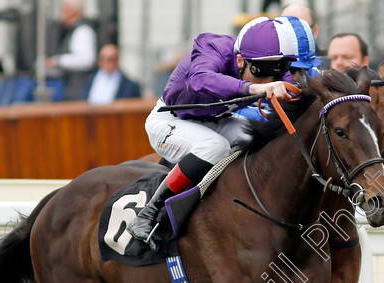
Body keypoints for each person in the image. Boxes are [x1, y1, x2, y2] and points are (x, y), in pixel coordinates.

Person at [126, 16, 299, 247]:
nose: (269, 80)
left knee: (259, 139)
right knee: (215, 146)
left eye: (276, 74)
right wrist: (254, 87)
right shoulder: (213, 47)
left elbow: (299, 91)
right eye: (261, 72)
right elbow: (200, 80)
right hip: (168, 120)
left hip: (215, 120)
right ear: (239, 60)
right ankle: (148, 214)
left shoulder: (267, 67)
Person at [46, 0, 98, 101]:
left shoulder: (83, 30)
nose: (61, 12)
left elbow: (86, 60)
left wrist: (57, 61)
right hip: (71, 87)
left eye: (64, 9)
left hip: (79, 88)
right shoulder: (72, 29)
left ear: (73, 11)